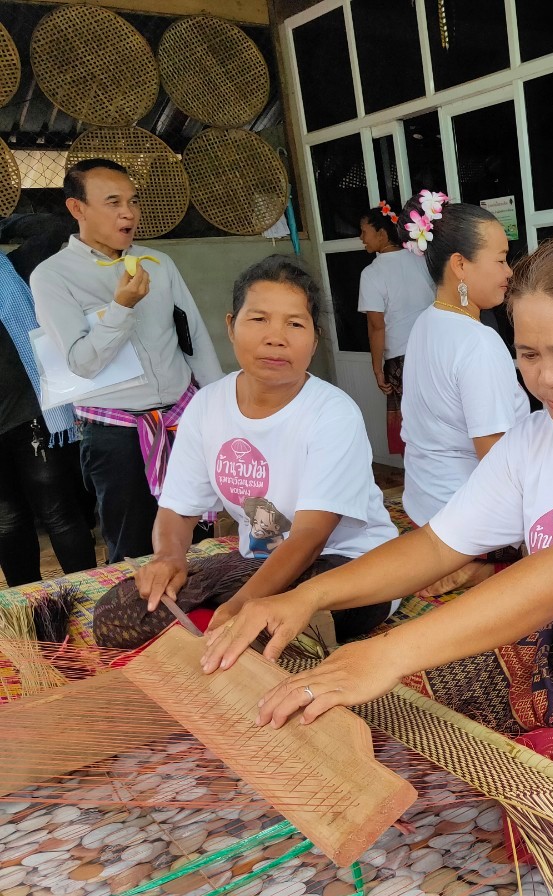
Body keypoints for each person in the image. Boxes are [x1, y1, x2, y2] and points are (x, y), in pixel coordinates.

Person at [201, 235, 553, 817]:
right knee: (380, 710)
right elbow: (436, 544)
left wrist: (383, 654)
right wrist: (307, 595)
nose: (547, 378)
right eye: (529, 355)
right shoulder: (538, 436)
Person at [92, 256, 397, 649]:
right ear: (230, 326)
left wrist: (242, 605)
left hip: (347, 567)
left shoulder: (332, 412)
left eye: (295, 323)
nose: (276, 337)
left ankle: (213, 634)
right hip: (258, 563)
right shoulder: (206, 405)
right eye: (259, 319)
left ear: (314, 338)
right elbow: (179, 508)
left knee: (266, 627)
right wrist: (169, 556)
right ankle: (213, 633)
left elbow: (309, 537)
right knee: (118, 613)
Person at [31, 159, 223, 564]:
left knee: (200, 541)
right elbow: (81, 363)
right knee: (132, 548)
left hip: (181, 420)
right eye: (113, 202)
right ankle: (140, 625)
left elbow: (194, 339)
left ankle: (207, 622)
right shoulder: (53, 277)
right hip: (116, 436)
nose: (129, 213)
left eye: (133, 201)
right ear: (77, 209)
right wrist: (120, 307)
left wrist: (219, 404)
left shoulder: (158, 263)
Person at [398, 190, 529, 591]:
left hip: (424, 503)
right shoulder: (477, 341)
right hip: (465, 524)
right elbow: (495, 458)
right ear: (460, 265)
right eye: (501, 259)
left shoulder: (425, 323)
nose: (509, 272)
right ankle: (484, 569)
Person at [0, 252, 97, 586]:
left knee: (59, 513)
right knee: (6, 522)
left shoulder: (12, 266)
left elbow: (53, 224)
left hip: (31, 415)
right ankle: (28, 605)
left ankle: (88, 595)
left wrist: (7, 224)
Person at [357, 200, 435, 456]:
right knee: (437, 417)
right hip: (432, 349)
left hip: (400, 357)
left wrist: (377, 368)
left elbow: (376, 327)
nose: (361, 238)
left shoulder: (372, 273)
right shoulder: (421, 259)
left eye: (364, 231)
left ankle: (417, 482)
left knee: (410, 427)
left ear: (381, 234)